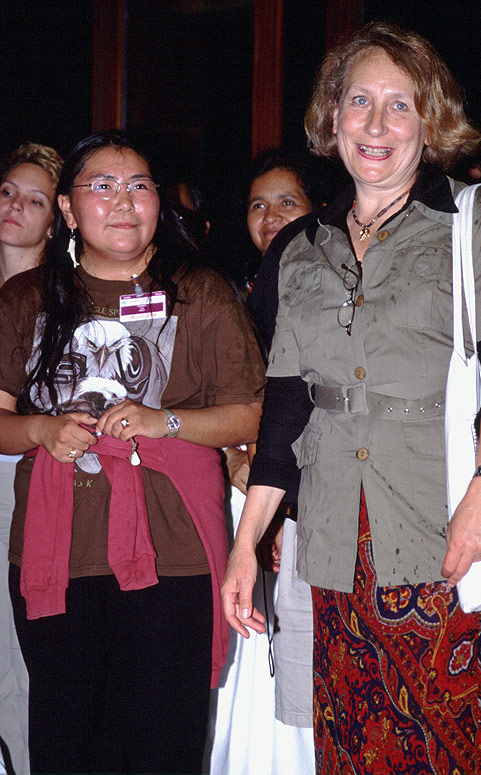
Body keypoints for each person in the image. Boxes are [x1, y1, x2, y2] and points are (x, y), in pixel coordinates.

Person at [222, 22, 481, 775]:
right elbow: (287, 411)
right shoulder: (300, 249)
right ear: (332, 117)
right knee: (349, 745)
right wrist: (247, 543)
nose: (375, 123)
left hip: (446, 528)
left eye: (400, 105)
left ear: (430, 124)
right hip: (335, 546)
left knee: (447, 748)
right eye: (359, 101)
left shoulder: (474, 217)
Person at [0, 130, 265, 775]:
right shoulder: (26, 298)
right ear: (68, 208)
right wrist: (40, 431)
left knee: (164, 746)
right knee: (67, 745)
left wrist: (164, 421)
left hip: (173, 551)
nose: (123, 201)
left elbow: (253, 411)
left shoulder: (200, 293)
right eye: (102, 186)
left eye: (138, 186)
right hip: (55, 551)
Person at [205, 149, 318, 775]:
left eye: (287, 203)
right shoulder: (234, 296)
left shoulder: (325, 288)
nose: (271, 216)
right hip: (247, 498)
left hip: (300, 500)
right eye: (258, 205)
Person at [0, 141, 63, 775]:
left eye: (34, 199)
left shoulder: (55, 299)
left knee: (13, 652)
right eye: (7, 192)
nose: (15, 206)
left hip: (16, 479)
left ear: (55, 219)